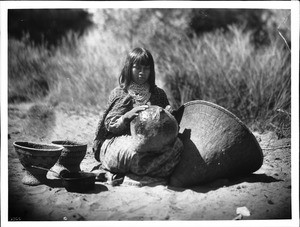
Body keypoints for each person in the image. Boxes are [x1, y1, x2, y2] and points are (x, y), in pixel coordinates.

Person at [92, 47, 183, 180]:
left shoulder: (158, 94)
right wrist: (127, 116)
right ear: (129, 68)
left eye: (146, 68)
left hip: (155, 143)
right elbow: (109, 125)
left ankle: (139, 170)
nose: (142, 72)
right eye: (137, 68)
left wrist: (168, 114)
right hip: (120, 140)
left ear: (151, 70)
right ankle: (152, 170)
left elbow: (167, 123)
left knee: (178, 146)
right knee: (135, 154)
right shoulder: (119, 93)